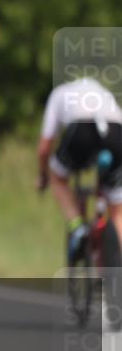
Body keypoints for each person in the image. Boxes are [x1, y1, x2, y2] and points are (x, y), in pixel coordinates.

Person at [37, 78, 122, 264]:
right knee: (118, 209)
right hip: (117, 131)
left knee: (58, 178)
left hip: (82, 129)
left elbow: (44, 148)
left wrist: (43, 175)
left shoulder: (59, 94)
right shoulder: (103, 92)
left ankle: (78, 228)